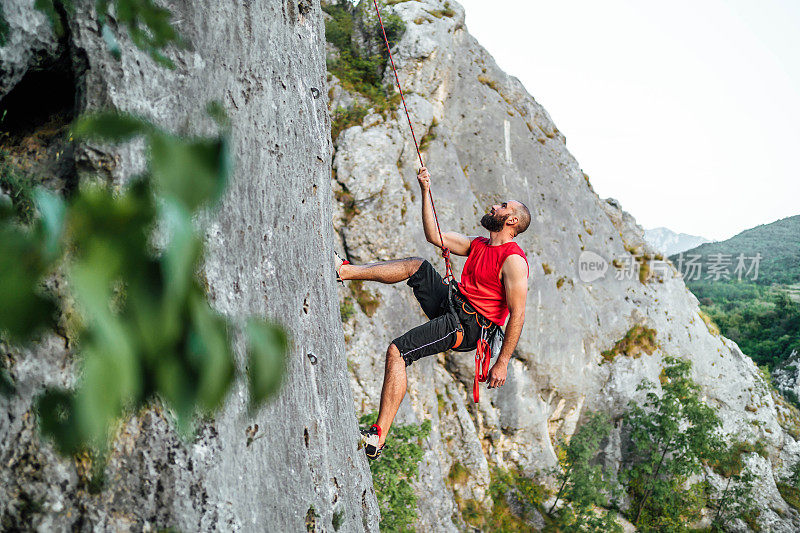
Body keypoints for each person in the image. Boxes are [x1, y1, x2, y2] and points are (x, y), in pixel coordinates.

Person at [335, 167, 530, 459]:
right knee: (417, 265)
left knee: (398, 352)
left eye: (502, 206)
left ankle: (378, 436)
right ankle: (345, 272)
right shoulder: (479, 244)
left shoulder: (513, 260)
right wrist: (425, 189)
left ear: (511, 220)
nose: (494, 206)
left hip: (468, 325)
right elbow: (435, 236)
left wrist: (501, 363)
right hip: (453, 303)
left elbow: (518, 314)